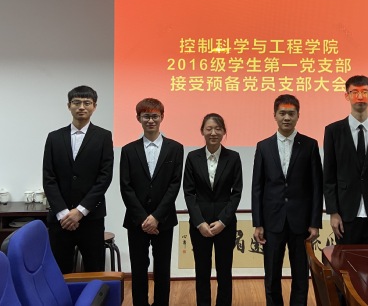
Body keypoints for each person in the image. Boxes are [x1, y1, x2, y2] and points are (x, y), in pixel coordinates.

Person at [251, 94, 323, 306]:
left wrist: (315, 222)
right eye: (282, 113)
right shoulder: (263, 146)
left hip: (301, 222)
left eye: (291, 113)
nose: (287, 118)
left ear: (298, 115)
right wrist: (258, 223)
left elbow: (316, 187)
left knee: (300, 275)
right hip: (272, 222)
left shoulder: (310, 145)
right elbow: (257, 187)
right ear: (274, 115)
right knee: (272, 275)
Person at [42, 85, 114, 273]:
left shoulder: (103, 137)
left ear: (94, 106)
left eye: (87, 103)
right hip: (60, 220)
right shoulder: (54, 137)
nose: (82, 107)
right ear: (69, 106)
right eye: (76, 102)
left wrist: (80, 211)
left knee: (94, 271)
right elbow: (49, 178)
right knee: (59, 272)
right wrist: (63, 213)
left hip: (91, 218)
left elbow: (104, 178)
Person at [120, 98, 184, 306]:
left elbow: (174, 185)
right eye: (146, 116)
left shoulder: (175, 148)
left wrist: (156, 217)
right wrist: (143, 218)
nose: (150, 120)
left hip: (163, 220)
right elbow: (126, 187)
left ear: (162, 117)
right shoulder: (128, 150)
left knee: (162, 268)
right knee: (138, 268)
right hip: (136, 221)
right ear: (138, 118)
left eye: (155, 116)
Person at [323, 75, 368, 244]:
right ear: (346, 96)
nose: (360, 96)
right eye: (354, 92)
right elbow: (329, 176)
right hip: (345, 215)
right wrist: (333, 212)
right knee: (345, 260)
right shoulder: (333, 131)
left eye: (365, 92)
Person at [183, 113, 243, 306]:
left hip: (225, 224)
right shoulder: (193, 157)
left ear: (224, 131)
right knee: (202, 271)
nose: (213, 133)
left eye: (218, 129)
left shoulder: (233, 157)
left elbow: (236, 193)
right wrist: (199, 222)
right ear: (202, 131)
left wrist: (223, 221)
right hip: (199, 224)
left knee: (224, 271)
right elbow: (189, 193)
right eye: (209, 129)